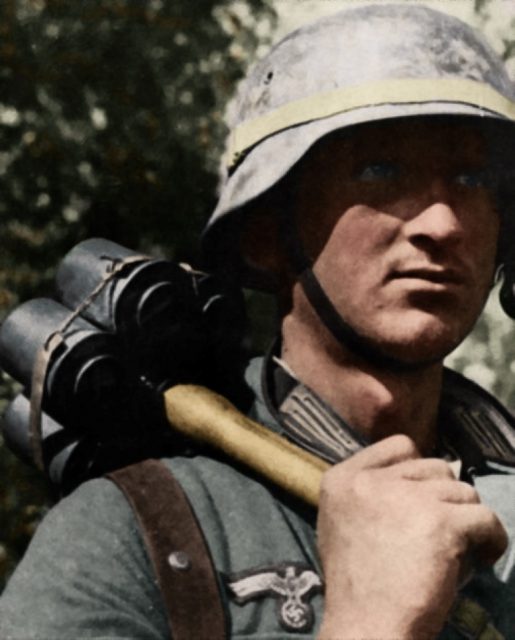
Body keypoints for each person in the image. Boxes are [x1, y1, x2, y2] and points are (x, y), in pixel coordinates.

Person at [2, 4, 515, 639]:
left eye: (472, 178)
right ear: (267, 233)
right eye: (381, 170)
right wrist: (372, 622)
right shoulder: (135, 533)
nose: (443, 224)